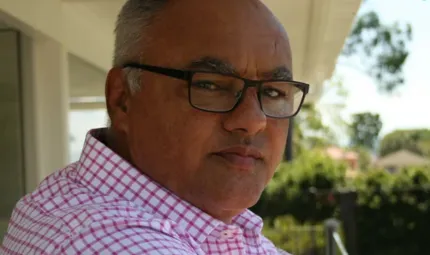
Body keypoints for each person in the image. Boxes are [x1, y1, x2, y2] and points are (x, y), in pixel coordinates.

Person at [0, 0, 309, 254]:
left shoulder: (207, 223)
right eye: (211, 85)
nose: (254, 120)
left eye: (272, 92)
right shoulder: (108, 240)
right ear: (123, 99)